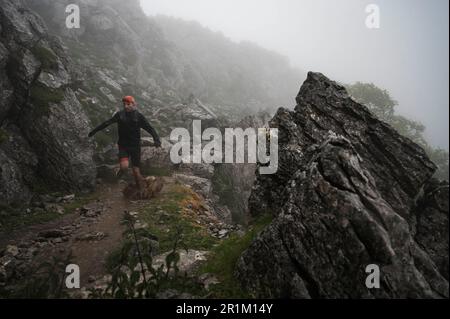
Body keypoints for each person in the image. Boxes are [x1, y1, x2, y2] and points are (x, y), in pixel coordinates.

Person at [88, 96, 161, 190]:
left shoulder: (139, 116)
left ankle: (141, 190)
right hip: (123, 145)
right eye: (124, 105)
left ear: (134, 104)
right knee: (124, 166)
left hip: (135, 146)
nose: (126, 106)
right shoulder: (120, 115)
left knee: (136, 171)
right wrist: (94, 131)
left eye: (128, 104)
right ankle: (119, 175)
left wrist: (156, 139)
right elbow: (107, 123)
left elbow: (149, 128)